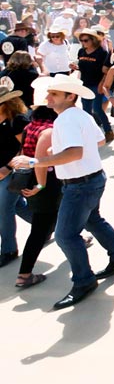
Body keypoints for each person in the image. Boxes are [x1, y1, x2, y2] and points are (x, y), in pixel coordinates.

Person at [11, 75, 114, 309]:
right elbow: (97, 141)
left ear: (70, 96)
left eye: (54, 94)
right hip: (92, 178)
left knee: (66, 235)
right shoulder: (79, 115)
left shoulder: (66, 120)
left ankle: (84, 280)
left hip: (80, 184)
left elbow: (75, 152)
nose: (48, 96)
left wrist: (36, 161)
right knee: (93, 220)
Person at [13, 80, 61, 287]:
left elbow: (24, 153)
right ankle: (24, 275)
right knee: (40, 230)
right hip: (46, 182)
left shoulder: (30, 127)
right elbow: (42, 163)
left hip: (31, 180)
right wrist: (40, 186)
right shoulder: (50, 130)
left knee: (47, 223)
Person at [0, 78, 29, 268]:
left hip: (13, 171)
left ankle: (9, 249)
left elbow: (26, 147)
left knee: (3, 209)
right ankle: (52, 226)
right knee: (18, 206)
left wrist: (8, 167)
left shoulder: (17, 120)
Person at [73, 27, 114, 144]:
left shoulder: (102, 53)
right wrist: (75, 67)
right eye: (82, 40)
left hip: (96, 84)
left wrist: (102, 84)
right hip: (84, 84)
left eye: (86, 40)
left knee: (97, 109)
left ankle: (108, 130)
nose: (83, 43)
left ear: (93, 40)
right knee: (86, 110)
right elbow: (82, 66)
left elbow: (106, 70)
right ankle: (89, 133)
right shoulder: (81, 52)